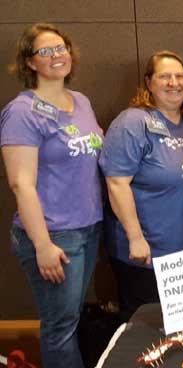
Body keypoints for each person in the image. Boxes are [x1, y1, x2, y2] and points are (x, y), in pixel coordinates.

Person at [0, 23, 103, 368]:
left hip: (88, 229)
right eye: (45, 51)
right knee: (60, 327)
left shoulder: (81, 102)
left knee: (70, 320)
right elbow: (21, 184)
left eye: (61, 48)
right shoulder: (22, 112)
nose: (57, 55)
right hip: (54, 235)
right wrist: (42, 245)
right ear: (29, 63)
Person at [99, 50, 183, 321]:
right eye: (164, 76)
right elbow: (116, 182)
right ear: (148, 83)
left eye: (179, 76)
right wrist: (136, 238)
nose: (174, 83)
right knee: (147, 332)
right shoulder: (132, 122)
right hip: (146, 252)